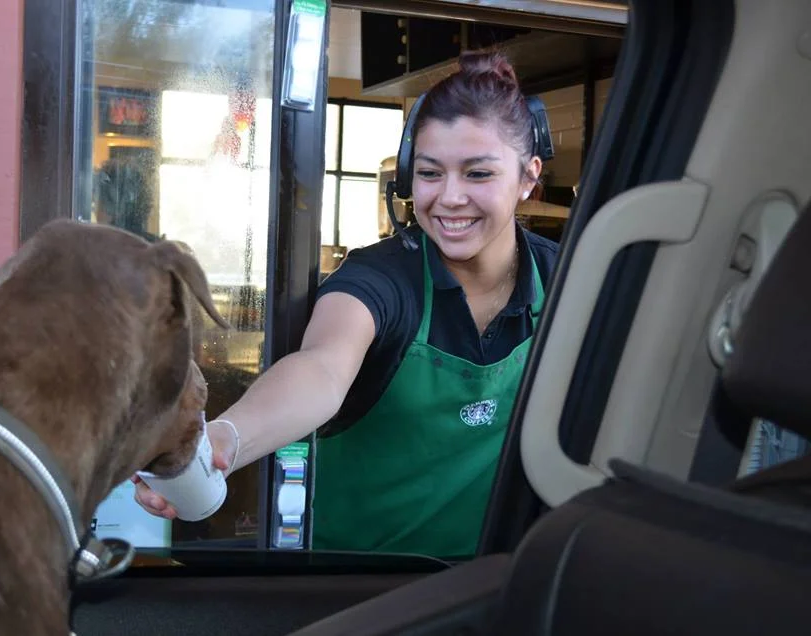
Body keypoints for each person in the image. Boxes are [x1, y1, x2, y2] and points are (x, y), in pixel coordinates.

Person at [132, 49, 560, 558]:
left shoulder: (568, 278)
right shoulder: (380, 279)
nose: (448, 197)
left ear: (529, 177)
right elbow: (321, 369)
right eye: (429, 173)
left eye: (478, 174)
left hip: (488, 581)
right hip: (351, 581)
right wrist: (224, 440)